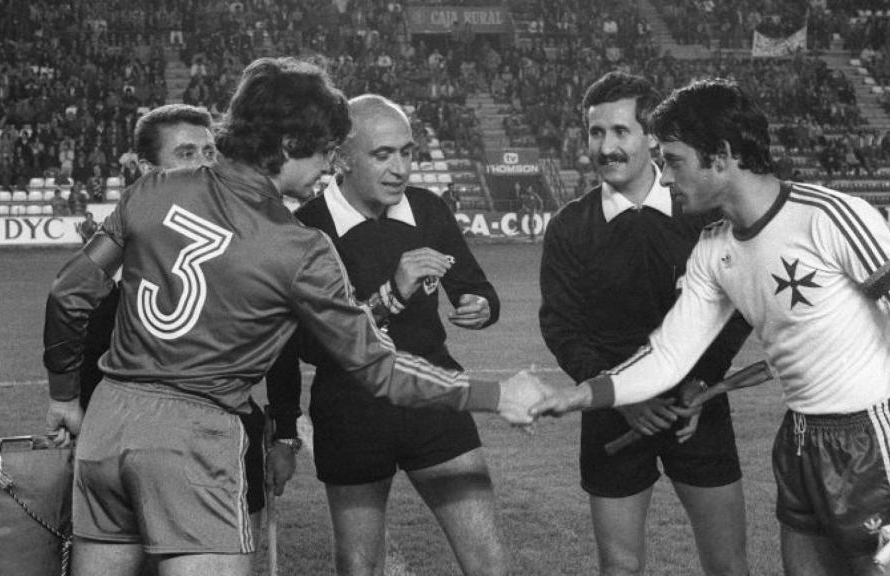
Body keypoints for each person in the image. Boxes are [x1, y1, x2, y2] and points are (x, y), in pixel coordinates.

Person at [43, 57, 546, 576]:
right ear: (286, 147)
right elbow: (377, 367)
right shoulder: (299, 246)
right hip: (194, 442)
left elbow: (69, 293)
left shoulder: (151, 190)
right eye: (326, 152)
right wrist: (495, 394)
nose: (329, 166)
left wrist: (62, 396)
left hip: (106, 429)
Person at [534, 79, 890, 576]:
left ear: (721, 156)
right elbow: (668, 355)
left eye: (673, 160)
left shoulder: (830, 217)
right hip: (798, 437)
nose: (665, 178)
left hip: (869, 433)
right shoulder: (712, 248)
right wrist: (583, 395)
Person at [283, 94, 508, 576]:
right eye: (382, 155)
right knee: (360, 567)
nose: (400, 168)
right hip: (352, 412)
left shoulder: (427, 210)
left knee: (488, 563)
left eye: (407, 152)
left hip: (434, 399)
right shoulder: (305, 230)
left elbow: (474, 284)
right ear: (341, 158)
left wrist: (481, 305)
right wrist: (392, 294)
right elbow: (306, 344)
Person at [539, 71, 752, 576]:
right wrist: (623, 395)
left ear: (652, 135)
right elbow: (562, 329)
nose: (605, 146)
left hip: (696, 412)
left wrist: (702, 381)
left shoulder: (701, 213)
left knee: (728, 565)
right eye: (596, 133)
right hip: (614, 414)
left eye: (620, 131)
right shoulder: (571, 226)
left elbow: (738, 308)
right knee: (620, 568)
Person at [73, 103, 296, 576]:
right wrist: (75, 413)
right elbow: (79, 328)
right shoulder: (122, 247)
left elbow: (281, 349)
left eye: (210, 150)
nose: (203, 162)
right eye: (187, 151)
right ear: (147, 170)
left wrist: (289, 432)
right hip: (118, 438)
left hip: (220, 437)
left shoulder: (248, 232)